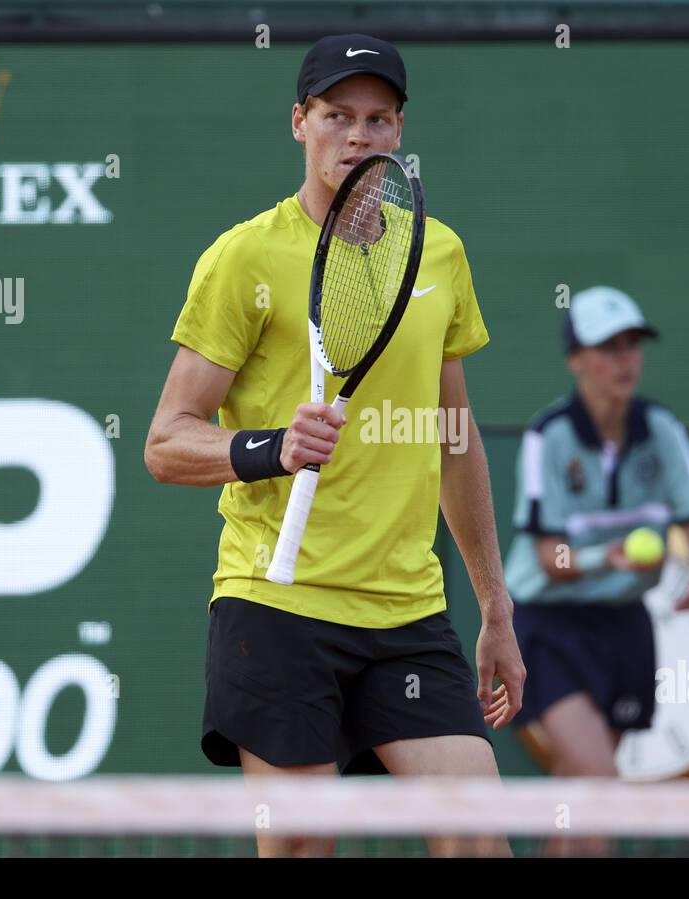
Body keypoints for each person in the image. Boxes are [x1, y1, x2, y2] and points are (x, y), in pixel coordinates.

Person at [144, 34, 524, 857]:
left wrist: (494, 602)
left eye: (378, 119)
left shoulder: (438, 252)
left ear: (399, 132)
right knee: (302, 847)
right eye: (336, 116)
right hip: (276, 607)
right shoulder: (244, 256)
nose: (357, 135)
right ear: (299, 122)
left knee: (478, 843)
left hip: (407, 613)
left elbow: (454, 439)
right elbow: (167, 442)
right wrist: (271, 447)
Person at [503, 286, 689, 853]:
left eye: (632, 345)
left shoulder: (662, 429)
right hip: (549, 626)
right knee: (599, 781)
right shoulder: (549, 436)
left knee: (580, 791)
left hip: (626, 626)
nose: (625, 360)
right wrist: (609, 557)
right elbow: (551, 558)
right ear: (576, 359)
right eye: (608, 347)